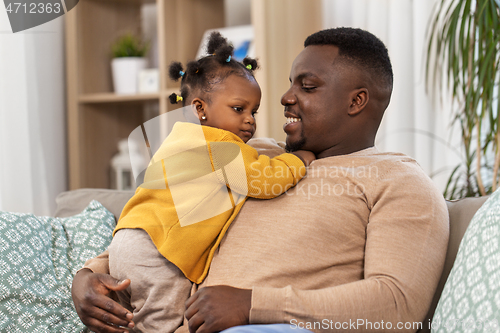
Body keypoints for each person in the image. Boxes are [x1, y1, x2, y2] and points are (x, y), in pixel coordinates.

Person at [71, 27, 449, 333]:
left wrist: (253, 305)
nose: (285, 97)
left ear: (356, 101)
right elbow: (163, 220)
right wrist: (90, 276)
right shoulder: (250, 154)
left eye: (308, 86)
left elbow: (396, 308)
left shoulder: (398, 180)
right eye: (290, 83)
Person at [107, 32, 315, 332]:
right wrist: (297, 160)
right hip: (161, 253)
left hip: (127, 239)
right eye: (238, 109)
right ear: (200, 108)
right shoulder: (221, 145)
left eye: (253, 112)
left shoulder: (179, 139)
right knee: (161, 324)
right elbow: (263, 180)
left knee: (132, 320)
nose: (250, 121)